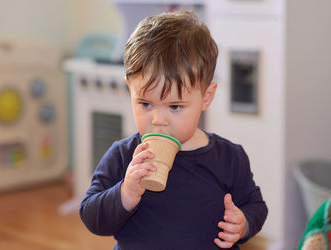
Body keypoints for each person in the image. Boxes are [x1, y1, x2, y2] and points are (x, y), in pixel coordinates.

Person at [80, 10, 268, 250]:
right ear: (130, 90)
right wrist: (125, 193)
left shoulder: (229, 157)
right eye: (145, 103)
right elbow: (91, 216)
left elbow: (256, 206)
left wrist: (243, 223)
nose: (158, 119)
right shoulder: (124, 156)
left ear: (206, 97)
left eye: (175, 106)